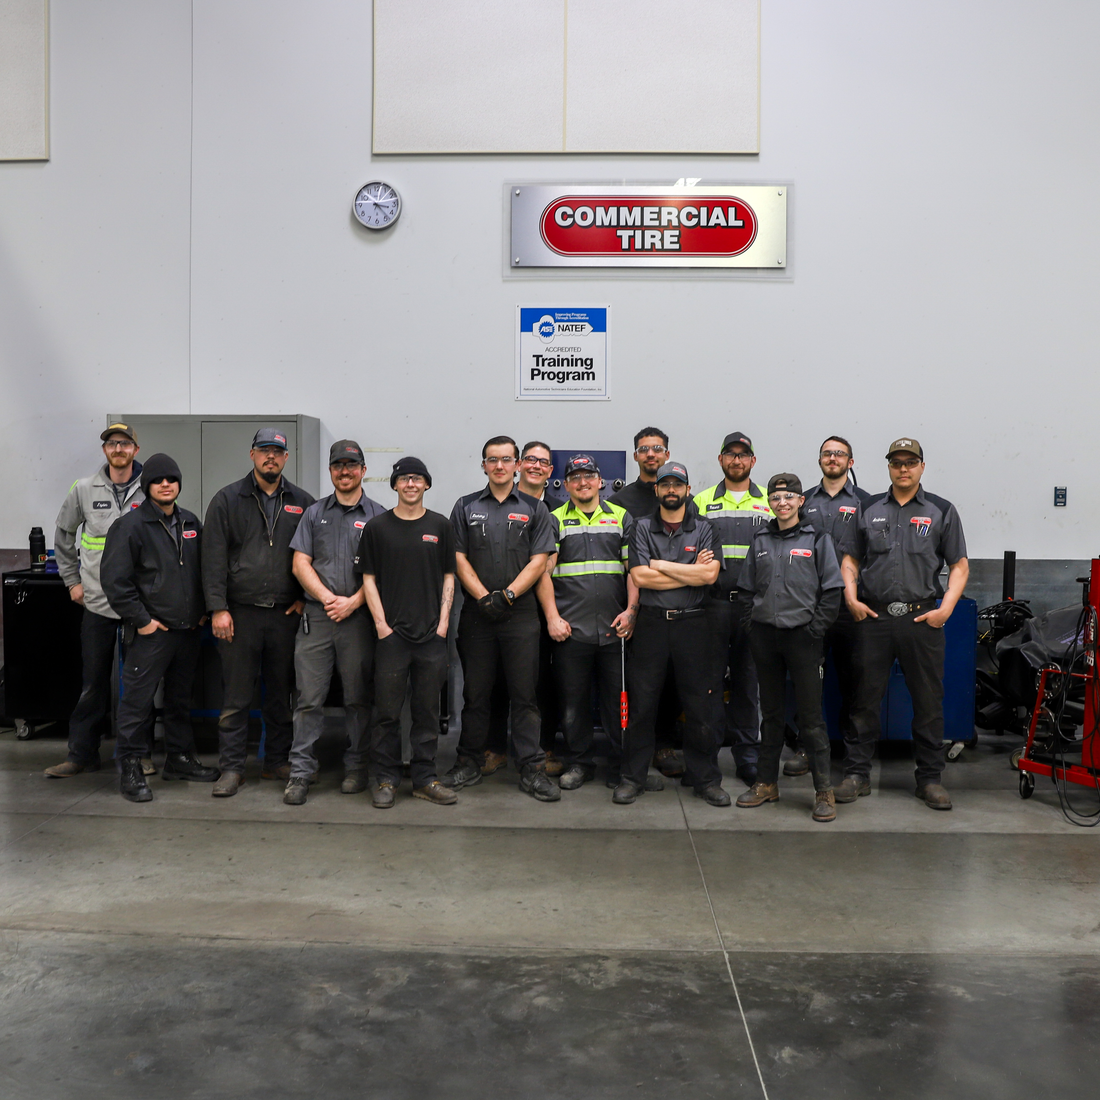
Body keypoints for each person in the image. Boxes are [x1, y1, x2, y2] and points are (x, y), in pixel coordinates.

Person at [838, 437, 969, 810]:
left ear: (922, 467)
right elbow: (850, 559)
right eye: (896, 462)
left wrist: (945, 610)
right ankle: (857, 774)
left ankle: (929, 779)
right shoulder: (867, 508)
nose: (903, 469)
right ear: (889, 467)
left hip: (922, 618)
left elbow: (959, 566)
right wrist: (851, 597)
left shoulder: (942, 510)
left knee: (928, 702)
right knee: (863, 699)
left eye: (910, 462)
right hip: (874, 618)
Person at [442, 435, 559, 802]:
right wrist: (482, 597)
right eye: (492, 459)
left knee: (525, 696)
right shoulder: (464, 507)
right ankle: (469, 762)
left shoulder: (535, 510)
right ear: (483, 465)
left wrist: (507, 595)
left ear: (517, 465)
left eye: (506, 459)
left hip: (521, 616)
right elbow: (457, 558)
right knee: (475, 695)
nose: (499, 466)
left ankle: (531, 768)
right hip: (478, 617)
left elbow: (539, 561)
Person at [202, 428, 315, 797]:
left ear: (286, 458)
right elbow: (213, 559)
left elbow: (315, 557)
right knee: (236, 697)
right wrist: (218, 608)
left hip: (285, 616)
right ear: (252, 455)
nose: (271, 457)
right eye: (264, 451)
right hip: (240, 615)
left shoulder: (303, 502)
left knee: (280, 695)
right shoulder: (227, 499)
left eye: (278, 452)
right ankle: (231, 769)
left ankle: (276, 762)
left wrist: (303, 599)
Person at [100, 454, 219, 802]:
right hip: (152, 634)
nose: (166, 484)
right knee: (137, 704)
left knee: (180, 700)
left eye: (171, 479)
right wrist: (143, 621)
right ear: (147, 486)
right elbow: (116, 582)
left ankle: (179, 759)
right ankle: (132, 767)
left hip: (187, 632)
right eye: (158, 480)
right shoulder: (130, 526)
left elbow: (201, 571)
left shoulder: (190, 522)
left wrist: (200, 612)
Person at [617, 461, 728, 806]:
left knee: (699, 705)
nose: (671, 490)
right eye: (665, 484)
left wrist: (660, 565)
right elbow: (640, 577)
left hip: (693, 624)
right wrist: (688, 570)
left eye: (677, 485)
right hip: (650, 624)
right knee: (642, 706)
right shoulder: (640, 528)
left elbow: (709, 577)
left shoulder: (705, 528)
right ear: (657, 490)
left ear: (687, 490)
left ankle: (705, 778)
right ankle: (632, 778)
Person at [735, 474, 844, 822]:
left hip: (803, 638)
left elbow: (831, 591)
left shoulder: (818, 539)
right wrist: (752, 627)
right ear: (770, 502)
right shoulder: (761, 539)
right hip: (766, 638)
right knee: (771, 715)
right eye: (776, 497)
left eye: (789, 497)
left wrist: (815, 630)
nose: (782, 503)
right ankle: (766, 783)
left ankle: (824, 790)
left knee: (811, 720)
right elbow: (746, 590)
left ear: (801, 501)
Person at [283, 440, 386, 806]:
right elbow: (300, 563)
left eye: (352, 465)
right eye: (338, 465)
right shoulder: (313, 514)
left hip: (359, 619)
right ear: (330, 471)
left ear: (363, 470)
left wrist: (353, 602)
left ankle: (357, 767)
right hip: (317, 619)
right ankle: (301, 772)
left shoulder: (378, 516)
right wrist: (329, 600)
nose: (345, 471)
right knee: (308, 700)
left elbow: (382, 570)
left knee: (359, 699)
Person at [355, 456, 458, 808]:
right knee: (386, 712)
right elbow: (368, 580)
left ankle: (425, 778)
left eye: (417, 479)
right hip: (392, 638)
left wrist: (443, 624)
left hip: (432, 637)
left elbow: (449, 576)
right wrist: (383, 627)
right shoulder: (377, 528)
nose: (411, 484)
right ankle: (385, 778)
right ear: (395, 485)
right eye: (404, 479)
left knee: (427, 712)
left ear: (426, 484)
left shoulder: (441, 527)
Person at [46, 423, 147, 778]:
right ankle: (81, 754)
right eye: (112, 444)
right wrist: (72, 581)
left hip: (139, 605)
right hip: (97, 603)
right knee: (93, 683)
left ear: (136, 448)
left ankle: (139, 755)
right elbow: (63, 536)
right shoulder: (84, 490)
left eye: (125, 443)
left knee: (139, 684)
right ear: (105, 450)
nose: (118, 449)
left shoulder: (151, 488)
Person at [537, 454, 638, 789]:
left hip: (615, 630)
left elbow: (633, 572)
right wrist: (552, 617)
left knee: (617, 702)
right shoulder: (554, 520)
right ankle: (580, 762)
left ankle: (622, 766)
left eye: (588, 476)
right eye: (575, 478)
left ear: (600, 481)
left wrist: (632, 611)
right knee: (573, 704)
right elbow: (544, 574)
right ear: (566, 486)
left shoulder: (622, 517)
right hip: (572, 631)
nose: (582, 483)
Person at [787, 436, 872, 777]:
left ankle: (854, 760)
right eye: (827, 453)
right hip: (809, 606)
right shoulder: (803, 502)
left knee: (857, 685)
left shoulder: (869, 503)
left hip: (853, 607)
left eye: (839, 454)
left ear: (850, 462)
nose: (832, 458)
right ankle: (807, 750)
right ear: (819, 460)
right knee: (809, 683)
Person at [693, 431, 772, 786]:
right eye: (730, 455)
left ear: (753, 461)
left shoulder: (771, 503)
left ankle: (748, 759)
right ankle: (703, 760)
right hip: (711, 607)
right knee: (707, 686)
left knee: (747, 685)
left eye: (743, 455)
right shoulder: (701, 501)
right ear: (721, 460)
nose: (737, 460)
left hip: (752, 609)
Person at [484, 439, 564, 776]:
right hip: (501, 610)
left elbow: (547, 565)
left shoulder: (558, 509)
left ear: (550, 471)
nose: (535, 465)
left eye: (543, 462)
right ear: (519, 465)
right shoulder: (498, 501)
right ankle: (496, 749)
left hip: (545, 609)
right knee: (497, 682)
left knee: (541, 682)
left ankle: (542, 749)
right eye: (529, 459)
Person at [609, 426, 684, 779]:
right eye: (644, 449)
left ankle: (665, 743)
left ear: (666, 454)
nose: (651, 454)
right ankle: (638, 749)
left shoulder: (684, 499)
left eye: (657, 448)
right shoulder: (621, 503)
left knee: (671, 678)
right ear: (635, 455)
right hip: (637, 606)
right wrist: (633, 607)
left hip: (679, 606)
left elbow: (694, 559)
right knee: (642, 683)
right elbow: (627, 564)